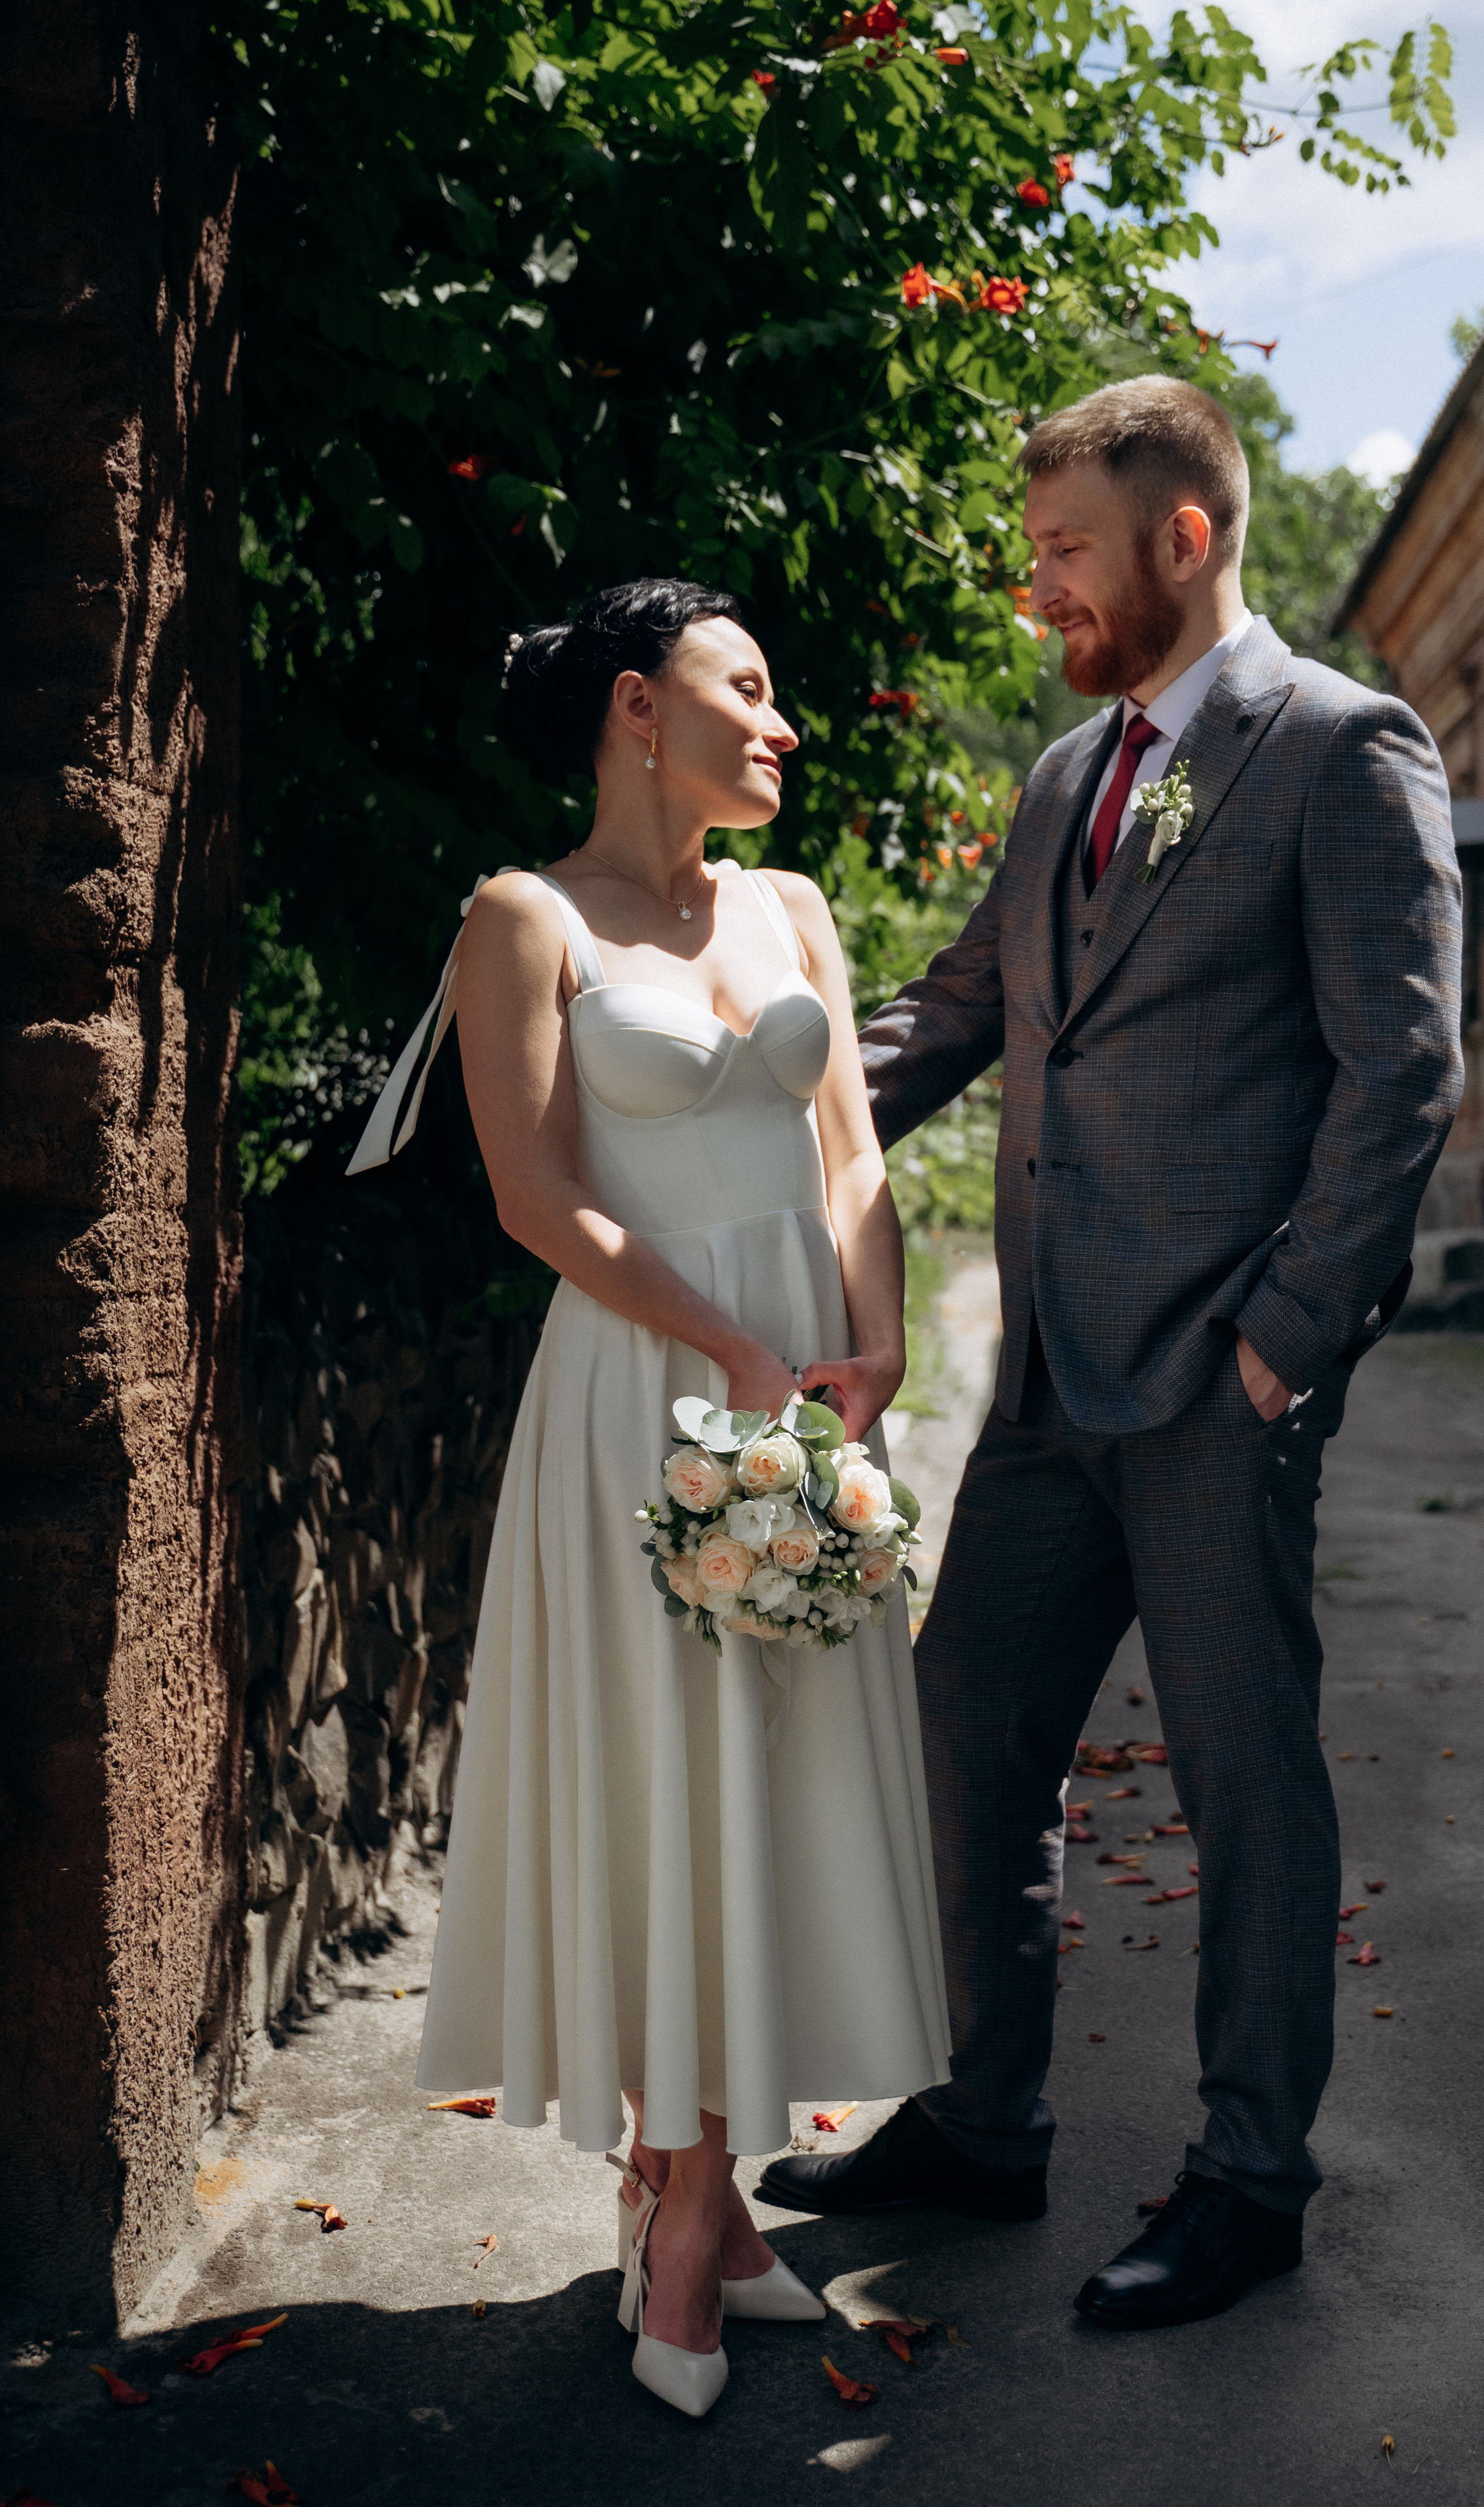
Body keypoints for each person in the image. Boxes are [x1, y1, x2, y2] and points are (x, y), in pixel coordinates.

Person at [757, 378, 1463, 2331]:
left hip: (1221, 1383)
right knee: (968, 1735)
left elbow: (1402, 1073)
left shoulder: (1342, 746)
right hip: (1052, 1378)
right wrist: (742, 1125)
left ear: (1185, 534)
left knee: (1246, 1785)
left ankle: (1250, 2182)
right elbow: (959, 1008)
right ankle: (985, 2121)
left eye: (1066, 548)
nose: (1039, 586)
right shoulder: (1071, 772)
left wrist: (1289, 1337)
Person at [348, 579, 949, 2417]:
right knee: (663, 1780)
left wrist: (872, 1346)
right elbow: (535, 1196)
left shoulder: (793, 906)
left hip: (801, 1394)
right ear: (636, 706)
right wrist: (727, 1345)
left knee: (772, 1779)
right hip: (639, 1388)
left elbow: (849, 1156)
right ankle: (690, 2218)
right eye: (743, 688)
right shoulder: (521, 920)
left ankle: (703, 2205)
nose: (781, 723)